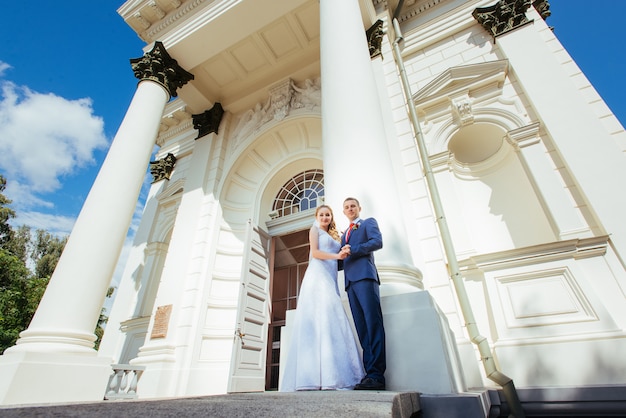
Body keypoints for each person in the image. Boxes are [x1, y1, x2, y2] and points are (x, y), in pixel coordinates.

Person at [279, 205, 365, 391]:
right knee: (320, 318)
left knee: (330, 319)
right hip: (317, 276)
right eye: (322, 215)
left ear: (331, 217)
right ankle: (314, 377)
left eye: (328, 215)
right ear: (317, 217)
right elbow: (316, 253)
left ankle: (332, 373)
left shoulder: (335, 236)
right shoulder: (314, 230)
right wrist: (338, 255)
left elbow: (343, 247)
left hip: (329, 277)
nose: (325, 217)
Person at [341, 197, 386, 390]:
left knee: (372, 324)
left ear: (359, 208)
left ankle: (377, 375)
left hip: (366, 279)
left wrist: (354, 249)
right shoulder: (344, 235)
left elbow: (377, 242)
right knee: (362, 329)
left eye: (353, 206)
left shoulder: (368, 223)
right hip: (350, 283)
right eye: (347, 207)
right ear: (344, 212)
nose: (350, 209)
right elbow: (341, 259)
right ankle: (370, 374)